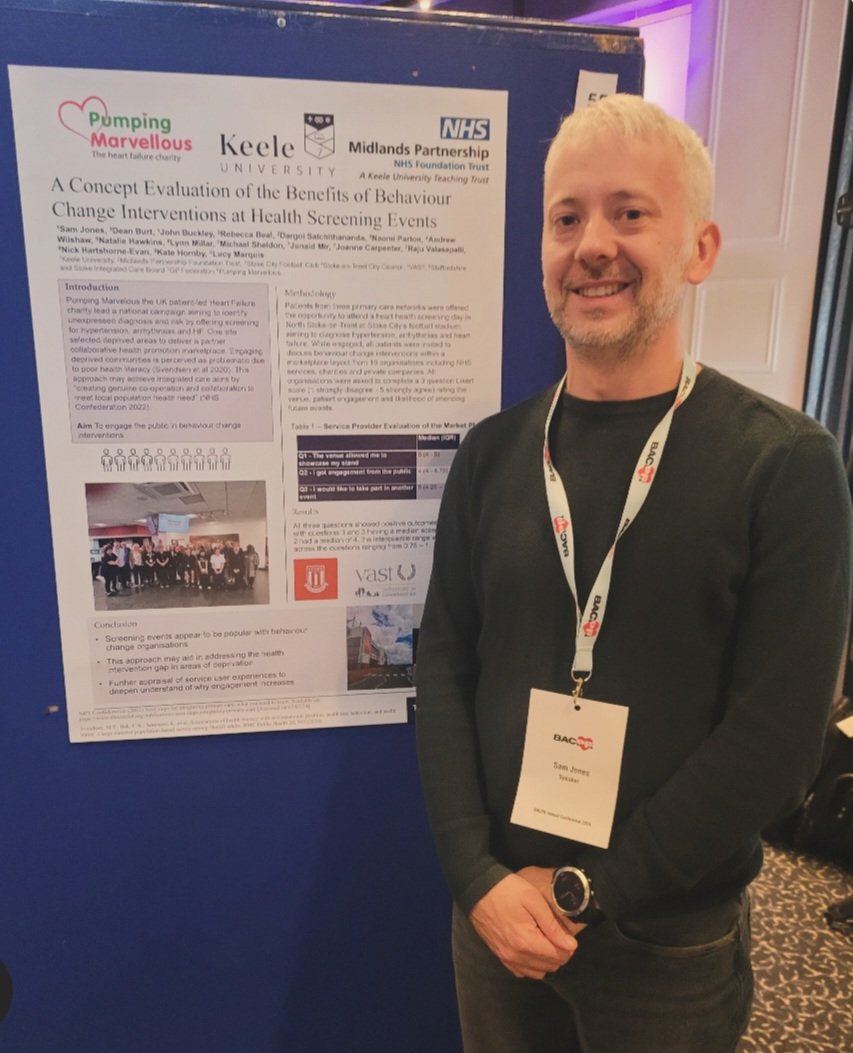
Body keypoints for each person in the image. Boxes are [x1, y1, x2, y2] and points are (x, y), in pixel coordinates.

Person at [415, 94, 852, 1053]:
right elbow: (441, 665)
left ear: (699, 248)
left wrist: (588, 888)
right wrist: (475, 875)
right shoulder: (492, 454)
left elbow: (777, 743)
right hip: (495, 918)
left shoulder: (782, 464)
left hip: (665, 940)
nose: (592, 246)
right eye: (565, 218)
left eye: (629, 213)